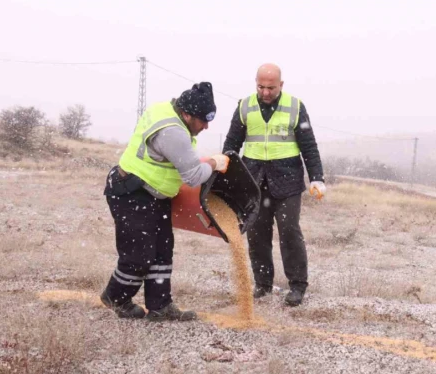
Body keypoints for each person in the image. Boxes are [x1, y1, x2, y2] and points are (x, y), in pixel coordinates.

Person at [100, 82, 230, 321]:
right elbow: (192, 177)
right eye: (203, 120)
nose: (206, 126)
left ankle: (160, 306)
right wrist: (214, 163)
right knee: (138, 255)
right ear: (187, 114)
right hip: (131, 192)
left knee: (162, 251)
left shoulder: (168, 112)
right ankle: (116, 297)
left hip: (153, 194)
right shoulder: (172, 131)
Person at [222, 63, 325, 307]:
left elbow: (309, 146)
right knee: (257, 234)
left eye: (271, 87)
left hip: (287, 181)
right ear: (255, 83)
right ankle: (263, 284)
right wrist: (225, 178)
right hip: (254, 180)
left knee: (289, 231)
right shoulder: (245, 106)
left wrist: (317, 177)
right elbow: (231, 144)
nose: (265, 92)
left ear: (281, 85)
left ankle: (298, 286)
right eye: (261, 87)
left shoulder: (295, 107)